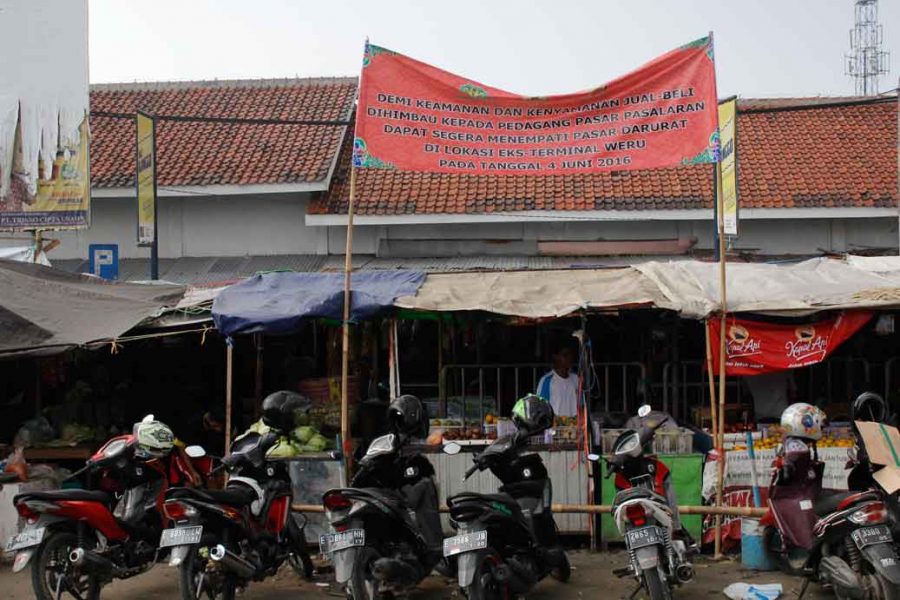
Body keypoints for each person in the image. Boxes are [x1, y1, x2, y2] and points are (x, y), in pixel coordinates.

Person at [536, 341, 580, 417]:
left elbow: (580, 406)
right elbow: (541, 410)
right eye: (565, 355)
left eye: (570, 355)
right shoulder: (547, 380)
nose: (569, 358)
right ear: (555, 357)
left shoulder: (576, 379)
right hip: (554, 427)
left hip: (573, 426)